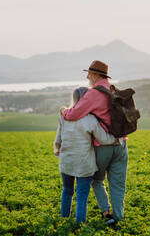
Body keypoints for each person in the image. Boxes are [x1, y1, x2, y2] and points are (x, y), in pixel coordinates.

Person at [60, 60, 129, 227]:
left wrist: (63, 111)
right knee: (118, 184)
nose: (87, 76)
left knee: (97, 181)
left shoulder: (93, 93)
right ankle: (118, 217)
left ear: (96, 75)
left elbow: (74, 114)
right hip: (121, 144)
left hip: (103, 146)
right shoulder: (112, 89)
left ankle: (106, 212)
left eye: (89, 73)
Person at [53, 87, 116, 224]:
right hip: (84, 164)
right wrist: (117, 139)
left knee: (67, 191)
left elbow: (58, 140)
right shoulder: (90, 119)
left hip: (67, 161)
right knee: (81, 196)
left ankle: (64, 221)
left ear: (74, 99)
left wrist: (57, 150)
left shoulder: (64, 117)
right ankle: (79, 225)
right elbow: (104, 139)